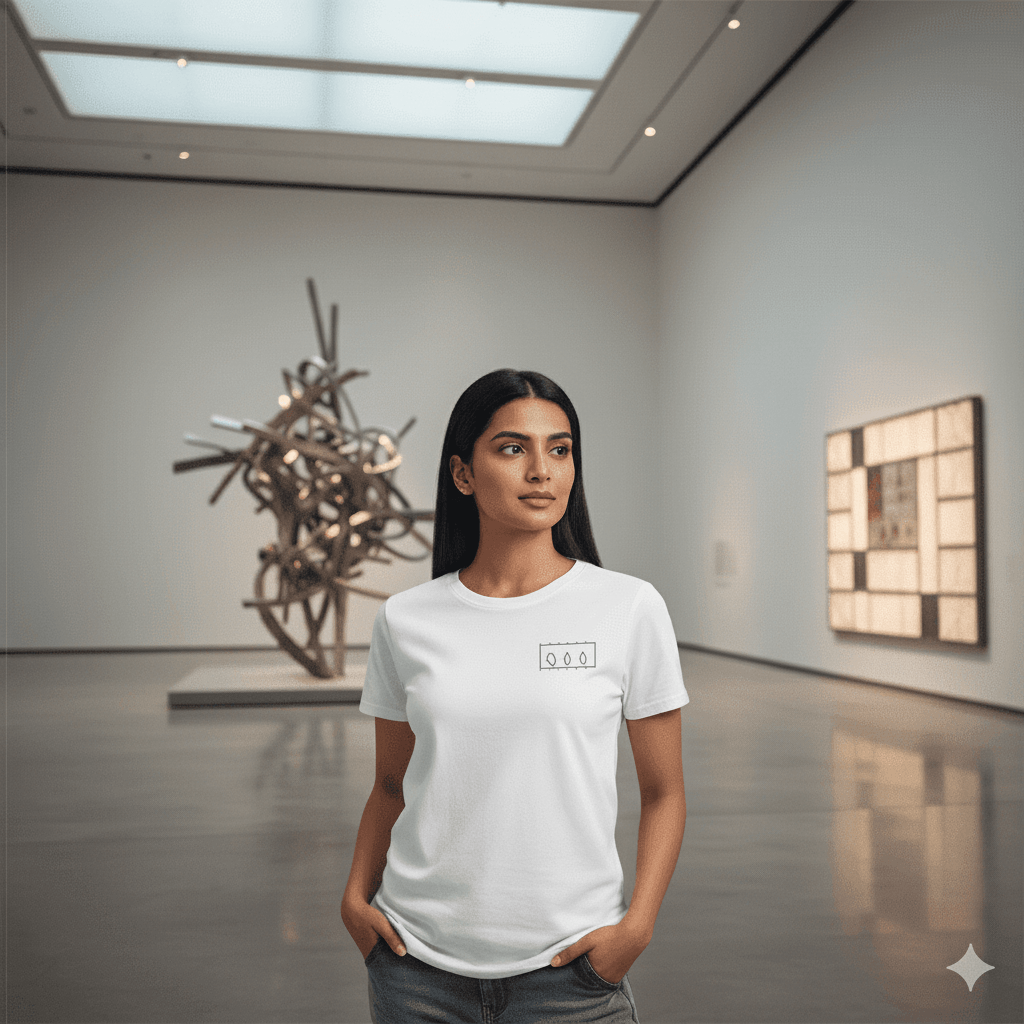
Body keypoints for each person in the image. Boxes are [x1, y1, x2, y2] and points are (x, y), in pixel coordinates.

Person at [341, 368, 688, 1023]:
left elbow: (665, 791)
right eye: (512, 448)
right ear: (462, 474)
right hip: (416, 973)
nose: (542, 470)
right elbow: (391, 784)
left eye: (559, 450)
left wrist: (634, 930)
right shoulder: (406, 619)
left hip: (572, 977)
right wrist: (356, 902)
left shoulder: (628, 607)